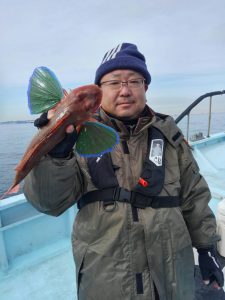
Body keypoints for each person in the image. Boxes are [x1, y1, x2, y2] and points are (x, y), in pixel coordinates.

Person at [24, 43, 224, 300]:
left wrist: (207, 248)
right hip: (107, 281)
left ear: (146, 88)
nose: (125, 90)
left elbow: (193, 195)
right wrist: (55, 153)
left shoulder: (170, 135)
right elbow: (49, 203)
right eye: (114, 82)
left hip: (173, 274)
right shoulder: (78, 136)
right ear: (99, 90)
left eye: (134, 81)